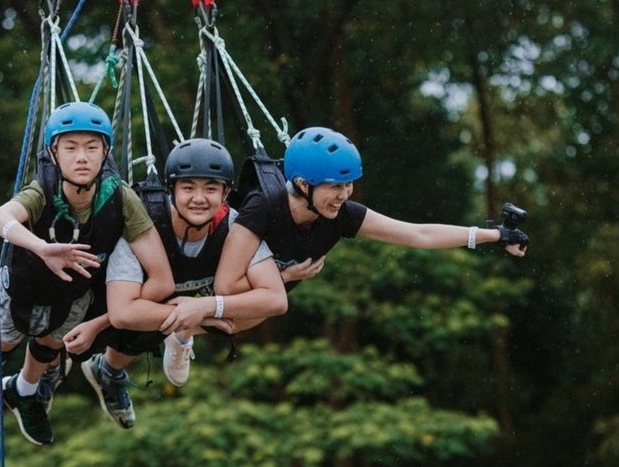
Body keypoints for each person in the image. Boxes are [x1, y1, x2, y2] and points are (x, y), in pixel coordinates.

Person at [0, 101, 173, 446]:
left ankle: (26, 391)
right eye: (70, 148)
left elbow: (161, 277)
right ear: (54, 153)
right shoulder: (43, 190)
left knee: (51, 342)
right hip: (24, 282)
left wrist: (107, 320)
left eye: (92, 147)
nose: (82, 157)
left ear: (106, 153)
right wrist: (42, 248)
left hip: (74, 293)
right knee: (5, 340)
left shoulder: (120, 198)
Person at [210, 126, 530, 322]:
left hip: (253, 307)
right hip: (214, 282)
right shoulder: (264, 206)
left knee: (257, 315)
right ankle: (186, 336)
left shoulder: (341, 215)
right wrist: (285, 277)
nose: (344, 195)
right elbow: (225, 288)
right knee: (251, 312)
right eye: (335, 186)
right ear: (304, 184)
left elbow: (418, 234)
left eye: (348, 185)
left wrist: (495, 235)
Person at [81, 138, 287, 429]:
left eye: (211, 189)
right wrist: (192, 314)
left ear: (226, 193)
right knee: (130, 322)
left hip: (194, 299)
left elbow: (276, 300)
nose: (199, 198)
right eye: (188, 188)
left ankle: (183, 332)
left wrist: (206, 307)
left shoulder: (235, 225)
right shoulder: (142, 222)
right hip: (128, 302)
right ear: (171, 189)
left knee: (253, 308)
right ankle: (84, 373)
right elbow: (123, 313)